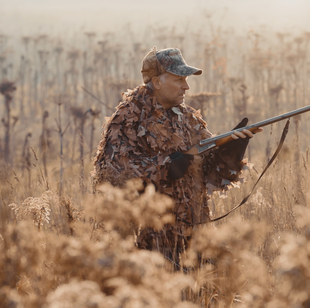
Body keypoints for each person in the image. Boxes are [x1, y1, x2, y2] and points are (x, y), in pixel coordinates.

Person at [91, 47, 260, 267]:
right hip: (151, 246)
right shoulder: (127, 118)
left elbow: (212, 171)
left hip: (196, 235)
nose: (186, 86)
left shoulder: (186, 116)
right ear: (157, 81)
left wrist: (233, 148)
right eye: (179, 79)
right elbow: (113, 175)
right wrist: (167, 168)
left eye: (186, 79)